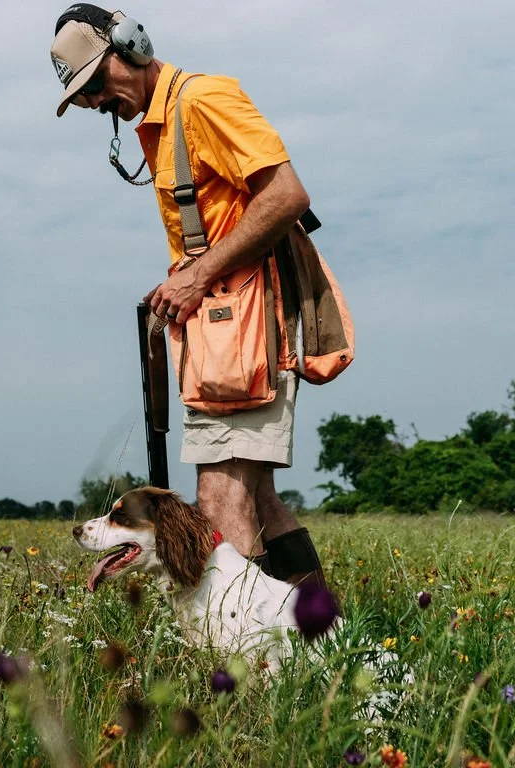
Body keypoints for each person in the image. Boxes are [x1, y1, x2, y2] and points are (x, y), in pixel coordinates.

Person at [50, 5, 326, 589]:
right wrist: (183, 275)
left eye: (96, 83)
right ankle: (320, 635)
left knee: (220, 498)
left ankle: (242, 667)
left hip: (246, 326)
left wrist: (198, 278)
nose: (96, 102)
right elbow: (223, 223)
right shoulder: (162, 121)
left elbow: (286, 196)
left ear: (133, 47)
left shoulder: (202, 99)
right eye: (83, 97)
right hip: (227, 323)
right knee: (257, 496)